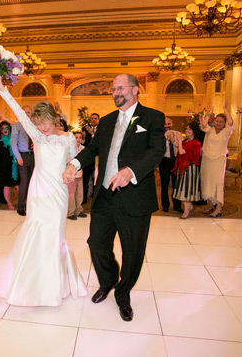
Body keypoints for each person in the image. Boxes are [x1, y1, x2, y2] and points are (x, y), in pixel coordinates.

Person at [63, 73, 165, 322]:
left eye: (120, 88)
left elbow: (156, 150)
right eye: (112, 89)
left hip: (135, 195)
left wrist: (130, 172)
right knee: (96, 243)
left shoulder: (152, 117)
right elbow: (93, 149)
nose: (115, 92)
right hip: (105, 196)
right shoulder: (107, 122)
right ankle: (108, 281)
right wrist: (73, 163)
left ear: (135, 89)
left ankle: (123, 293)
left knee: (133, 251)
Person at [0, 74, 87, 306]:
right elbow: (18, 111)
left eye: (44, 123)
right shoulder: (36, 135)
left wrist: (75, 171)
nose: (41, 128)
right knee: (35, 230)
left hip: (58, 192)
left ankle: (53, 283)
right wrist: (2, 90)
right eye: (38, 124)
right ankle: (30, 281)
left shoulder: (67, 139)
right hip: (38, 190)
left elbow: (75, 163)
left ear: (54, 119)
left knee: (54, 232)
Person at [200, 101, 233, 218]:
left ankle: (218, 209)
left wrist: (225, 109)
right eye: (217, 121)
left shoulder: (226, 132)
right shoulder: (210, 130)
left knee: (218, 183)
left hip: (219, 160)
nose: (218, 123)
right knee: (207, 181)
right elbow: (204, 125)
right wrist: (209, 112)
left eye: (221, 121)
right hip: (207, 159)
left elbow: (231, 122)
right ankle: (210, 205)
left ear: (224, 123)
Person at [171, 121, 202, 219]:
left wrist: (179, 141)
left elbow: (182, 151)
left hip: (190, 169)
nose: (187, 131)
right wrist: (176, 141)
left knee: (187, 188)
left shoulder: (195, 143)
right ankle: (189, 207)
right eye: (186, 129)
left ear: (194, 131)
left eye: (189, 129)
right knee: (184, 188)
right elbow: (177, 152)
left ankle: (187, 210)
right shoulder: (186, 141)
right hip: (184, 168)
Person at [11, 104, 34, 216]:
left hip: (34, 156)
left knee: (33, 182)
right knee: (24, 181)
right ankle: (20, 206)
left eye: (29, 112)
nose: (27, 114)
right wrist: (18, 157)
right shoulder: (17, 126)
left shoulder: (34, 125)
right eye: (25, 112)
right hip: (23, 156)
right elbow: (13, 143)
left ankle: (30, 205)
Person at [158, 116, 182, 213]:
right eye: (165, 124)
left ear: (172, 124)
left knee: (177, 184)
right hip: (164, 161)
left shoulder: (178, 134)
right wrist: (165, 136)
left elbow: (180, 146)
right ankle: (165, 205)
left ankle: (177, 205)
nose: (167, 126)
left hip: (176, 160)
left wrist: (174, 139)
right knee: (164, 184)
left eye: (169, 123)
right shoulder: (159, 135)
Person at [0, 118, 19, 210]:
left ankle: (20, 201)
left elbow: (16, 125)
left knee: (17, 185)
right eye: (3, 128)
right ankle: (9, 204)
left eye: (7, 128)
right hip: (3, 164)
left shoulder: (13, 136)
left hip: (13, 164)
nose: (5, 130)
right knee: (6, 185)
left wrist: (4, 118)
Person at [67, 131, 86, 220]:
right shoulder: (69, 147)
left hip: (80, 173)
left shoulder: (83, 148)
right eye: (76, 137)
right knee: (71, 193)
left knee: (79, 193)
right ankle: (70, 212)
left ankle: (78, 210)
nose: (78, 139)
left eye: (80, 137)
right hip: (71, 173)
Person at [81, 112, 100, 204]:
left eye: (95, 118)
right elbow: (83, 143)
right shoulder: (84, 129)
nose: (93, 120)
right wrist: (83, 137)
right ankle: (83, 199)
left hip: (97, 158)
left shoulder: (101, 129)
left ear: (98, 120)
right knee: (85, 178)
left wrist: (92, 134)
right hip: (88, 158)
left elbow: (100, 142)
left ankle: (95, 199)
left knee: (96, 178)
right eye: (92, 118)